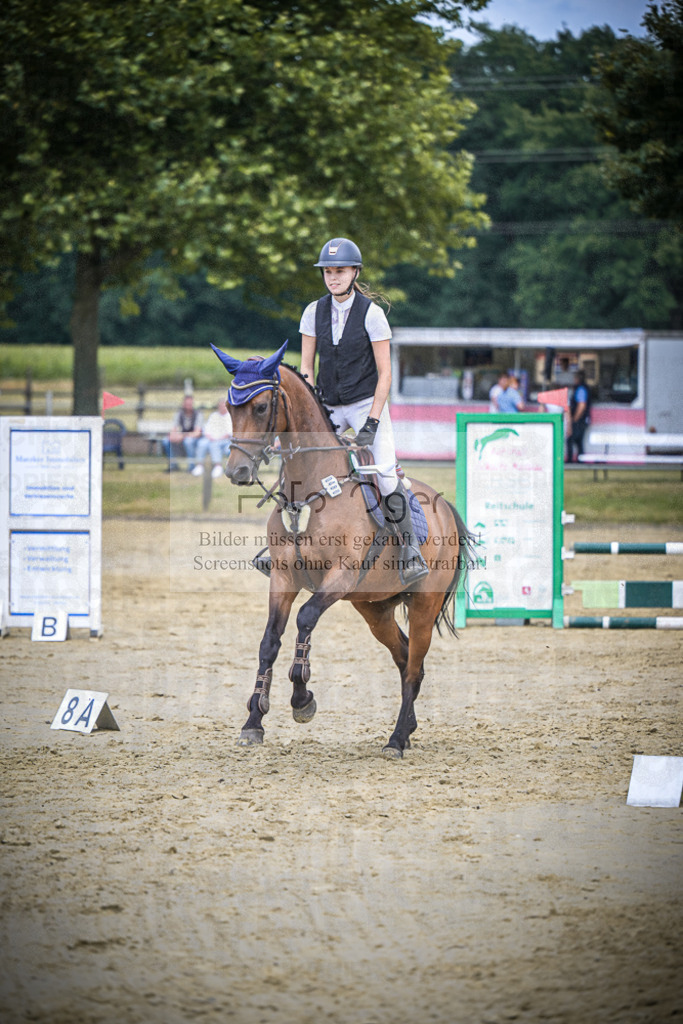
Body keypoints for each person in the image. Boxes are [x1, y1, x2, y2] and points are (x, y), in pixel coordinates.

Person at [299, 236, 428, 584]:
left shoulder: (372, 315)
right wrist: (312, 411)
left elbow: (385, 374)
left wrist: (371, 421)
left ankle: (410, 549)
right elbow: (307, 367)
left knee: (385, 473)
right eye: (328, 272)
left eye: (340, 271)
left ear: (355, 272)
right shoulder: (312, 312)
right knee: (299, 464)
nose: (333, 278)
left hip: (363, 405)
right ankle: (285, 547)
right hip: (327, 405)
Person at [192, 397, 232, 478]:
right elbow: (207, 429)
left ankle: (218, 466)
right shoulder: (214, 416)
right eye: (220, 406)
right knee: (202, 443)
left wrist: (217, 439)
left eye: (224, 406)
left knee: (214, 445)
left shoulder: (230, 416)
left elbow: (229, 433)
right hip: (211, 438)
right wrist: (209, 436)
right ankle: (199, 465)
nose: (222, 407)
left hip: (225, 440)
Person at [162, 394, 204, 472]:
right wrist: (173, 436)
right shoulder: (179, 414)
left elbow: (197, 433)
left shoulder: (198, 414)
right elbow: (173, 429)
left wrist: (183, 436)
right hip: (182, 438)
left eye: (190, 404)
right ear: (183, 404)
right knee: (166, 441)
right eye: (186, 404)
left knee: (188, 441)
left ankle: (192, 466)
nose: (188, 406)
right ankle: (173, 466)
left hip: (194, 439)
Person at [566, 369, 591, 463]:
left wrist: (574, 419)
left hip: (580, 420)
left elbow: (582, 405)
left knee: (570, 440)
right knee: (579, 441)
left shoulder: (581, 389)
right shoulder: (583, 388)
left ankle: (570, 461)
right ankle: (581, 461)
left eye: (575, 378)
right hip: (583, 419)